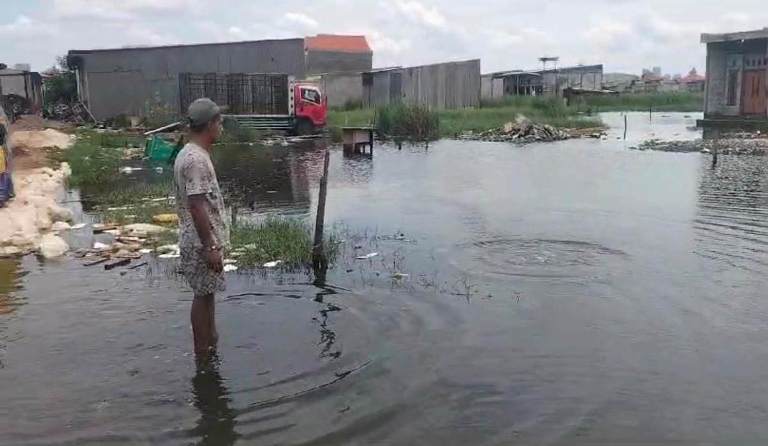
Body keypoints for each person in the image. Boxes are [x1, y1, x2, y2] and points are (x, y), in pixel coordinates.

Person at [174, 98, 227, 358]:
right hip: (200, 242)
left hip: (199, 240)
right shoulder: (195, 159)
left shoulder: (191, 153)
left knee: (206, 294)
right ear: (209, 125)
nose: (222, 126)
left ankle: (209, 348)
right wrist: (210, 246)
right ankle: (204, 356)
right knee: (202, 296)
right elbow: (196, 205)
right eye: (219, 121)